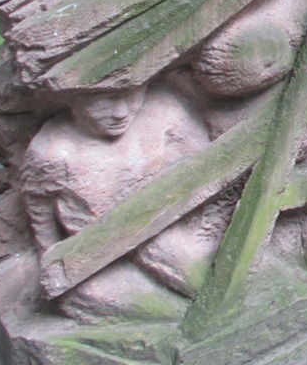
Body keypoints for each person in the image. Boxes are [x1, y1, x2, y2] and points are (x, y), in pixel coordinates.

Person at [22, 84, 218, 319]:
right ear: (72, 99)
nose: (121, 112)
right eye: (103, 102)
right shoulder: (52, 152)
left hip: (174, 227)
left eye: (131, 96)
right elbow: (38, 204)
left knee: (199, 273)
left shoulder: (166, 113)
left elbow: (207, 165)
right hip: (100, 251)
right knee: (91, 295)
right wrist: (49, 253)